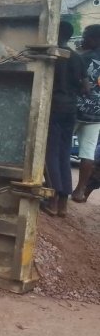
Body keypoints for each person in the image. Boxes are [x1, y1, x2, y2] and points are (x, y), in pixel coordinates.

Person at [42, 22, 84, 217]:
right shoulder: (77, 57)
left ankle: (52, 201)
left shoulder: (53, 56)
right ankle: (63, 206)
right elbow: (86, 88)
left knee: (50, 153)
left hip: (54, 107)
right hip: (71, 109)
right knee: (64, 154)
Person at [73, 24, 100, 203]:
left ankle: (54, 187)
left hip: (76, 110)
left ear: (95, 39)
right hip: (97, 114)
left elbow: (74, 81)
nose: (83, 39)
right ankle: (79, 191)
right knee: (88, 151)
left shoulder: (82, 58)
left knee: (56, 147)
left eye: (85, 36)